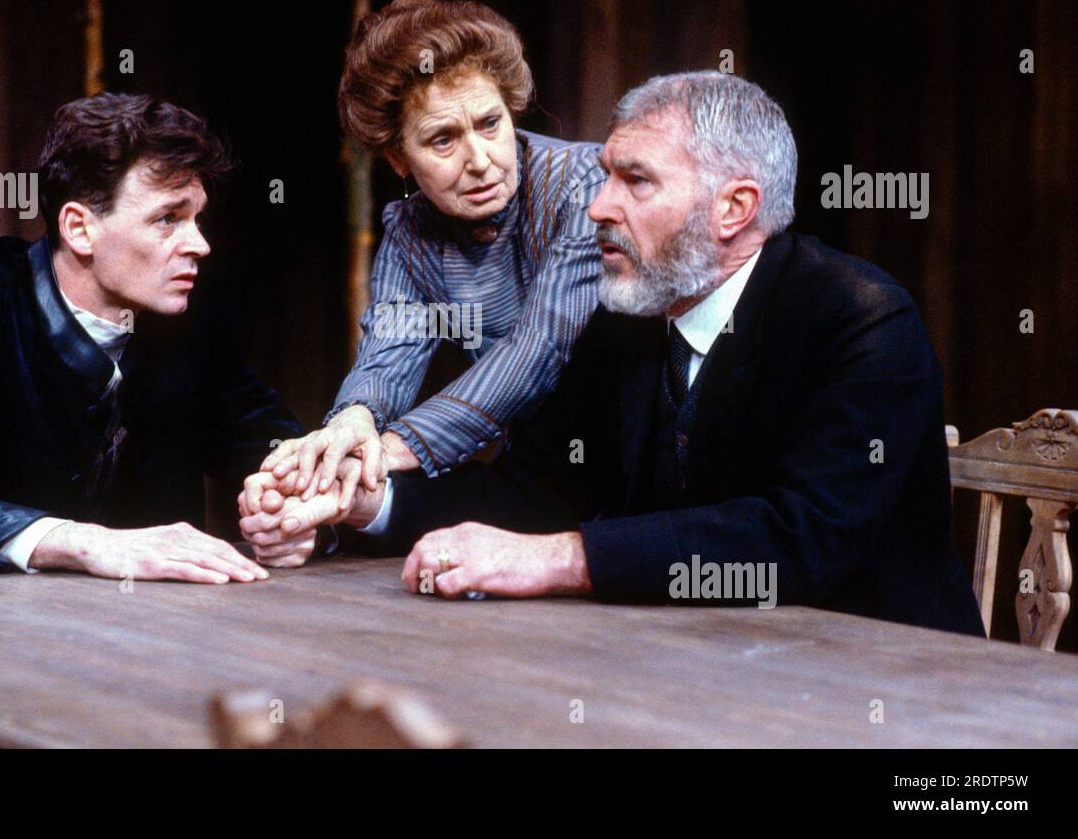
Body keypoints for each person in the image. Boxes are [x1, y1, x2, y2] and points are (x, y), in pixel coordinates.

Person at [240, 71, 984, 635]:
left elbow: (796, 540)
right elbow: (534, 493)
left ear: (735, 208)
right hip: (691, 663)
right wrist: (368, 502)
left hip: (890, 686)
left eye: (635, 181)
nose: (599, 206)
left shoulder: (862, 320)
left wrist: (556, 559)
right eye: (604, 175)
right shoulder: (626, 317)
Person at [0, 93, 299, 583]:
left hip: (122, 639)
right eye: (168, 219)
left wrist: (292, 512)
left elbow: (280, 452)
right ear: (79, 229)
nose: (200, 244)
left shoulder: (192, 318)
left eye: (197, 219)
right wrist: (86, 544)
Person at [253, 0, 606, 522]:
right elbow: (390, 349)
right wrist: (353, 423)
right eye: (443, 140)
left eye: (490, 124)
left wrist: (390, 449)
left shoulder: (581, 184)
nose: (481, 160)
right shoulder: (410, 230)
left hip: (638, 476)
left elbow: (539, 347)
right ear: (399, 158)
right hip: (538, 483)